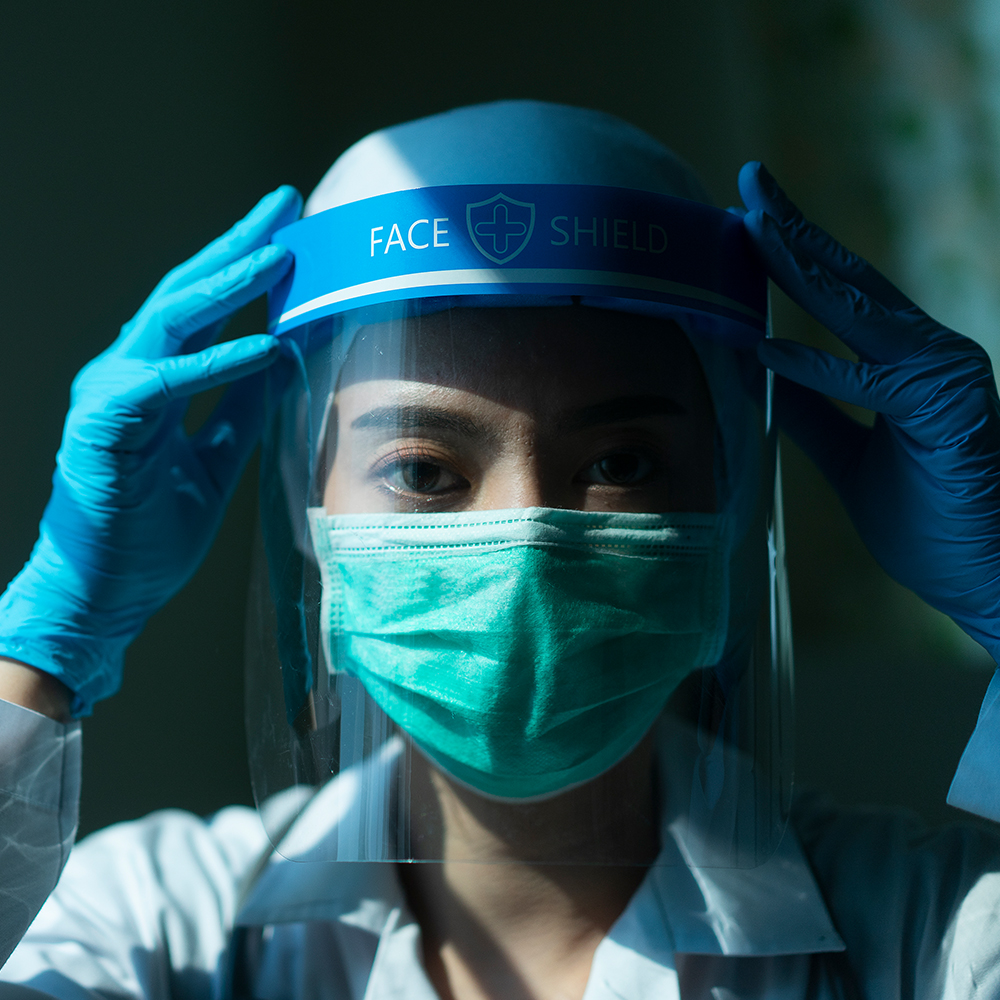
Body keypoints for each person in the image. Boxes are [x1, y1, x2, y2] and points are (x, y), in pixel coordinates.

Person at [1, 100, 1000, 1000]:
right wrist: (42, 649)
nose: (528, 544)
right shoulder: (152, 925)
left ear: (727, 489)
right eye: (424, 471)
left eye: (619, 458)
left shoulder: (932, 934)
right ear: (313, 510)